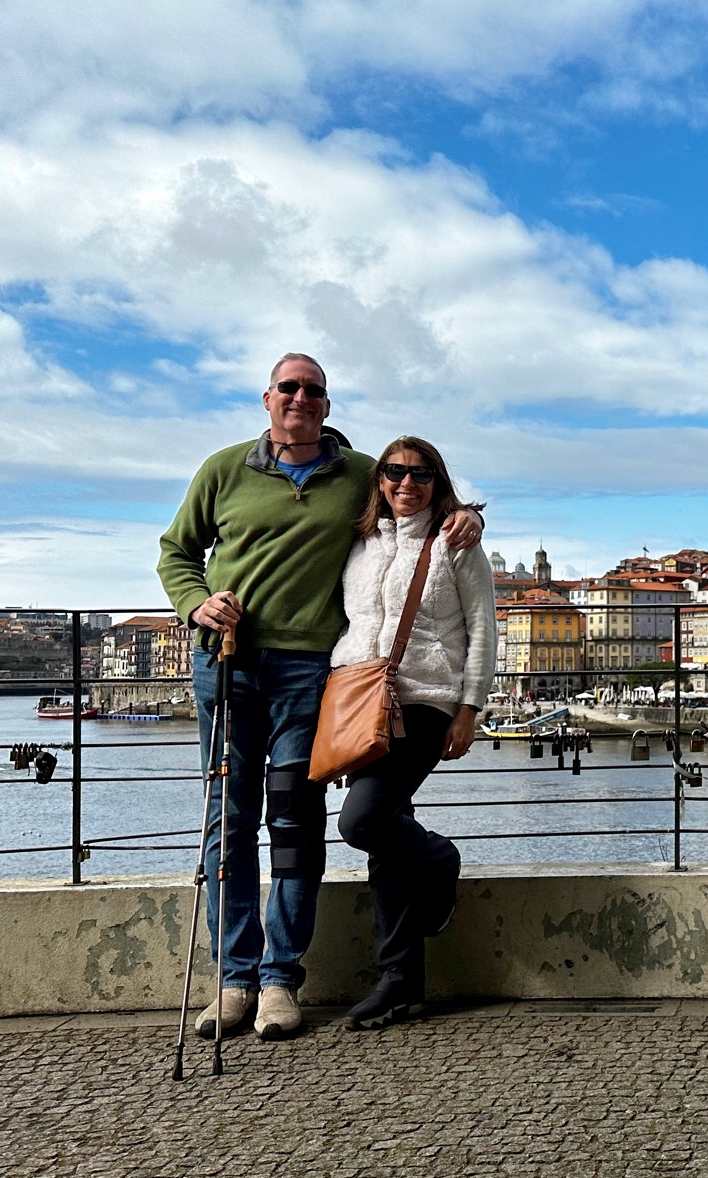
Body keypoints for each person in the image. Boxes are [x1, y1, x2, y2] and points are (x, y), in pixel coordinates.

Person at [158, 354, 484, 1042]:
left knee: (297, 823)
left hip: (310, 674)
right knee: (228, 822)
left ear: (327, 406)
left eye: (313, 390)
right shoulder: (223, 470)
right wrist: (195, 602)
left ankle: (280, 980)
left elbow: (421, 497)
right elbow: (175, 552)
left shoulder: (361, 473)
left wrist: (467, 521)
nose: (300, 398)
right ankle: (234, 978)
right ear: (268, 399)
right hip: (227, 663)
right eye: (289, 388)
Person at [331, 436, 496, 1028]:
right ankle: (400, 980)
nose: (407, 483)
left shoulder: (456, 541)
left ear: (437, 480)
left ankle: (441, 860)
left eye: (421, 473)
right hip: (363, 702)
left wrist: (468, 709)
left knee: (363, 821)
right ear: (378, 480)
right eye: (395, 473)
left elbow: (483, 629)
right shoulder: (359, 542)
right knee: (382, 836)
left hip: (427, 702)